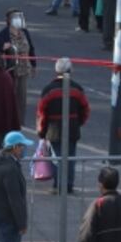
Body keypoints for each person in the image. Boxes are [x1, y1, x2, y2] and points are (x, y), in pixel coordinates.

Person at [36, 58, 91, 194]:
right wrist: (79, 122)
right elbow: (85, 109)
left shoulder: (48, 89)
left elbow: (41, 112)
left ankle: (58, 185)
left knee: (57, 158)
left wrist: (41, 131)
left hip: (53, 129)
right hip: (72, 126)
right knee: (70, 157)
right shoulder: (77, 89)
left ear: (56, 70)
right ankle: (69, 185)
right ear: (70, 70)